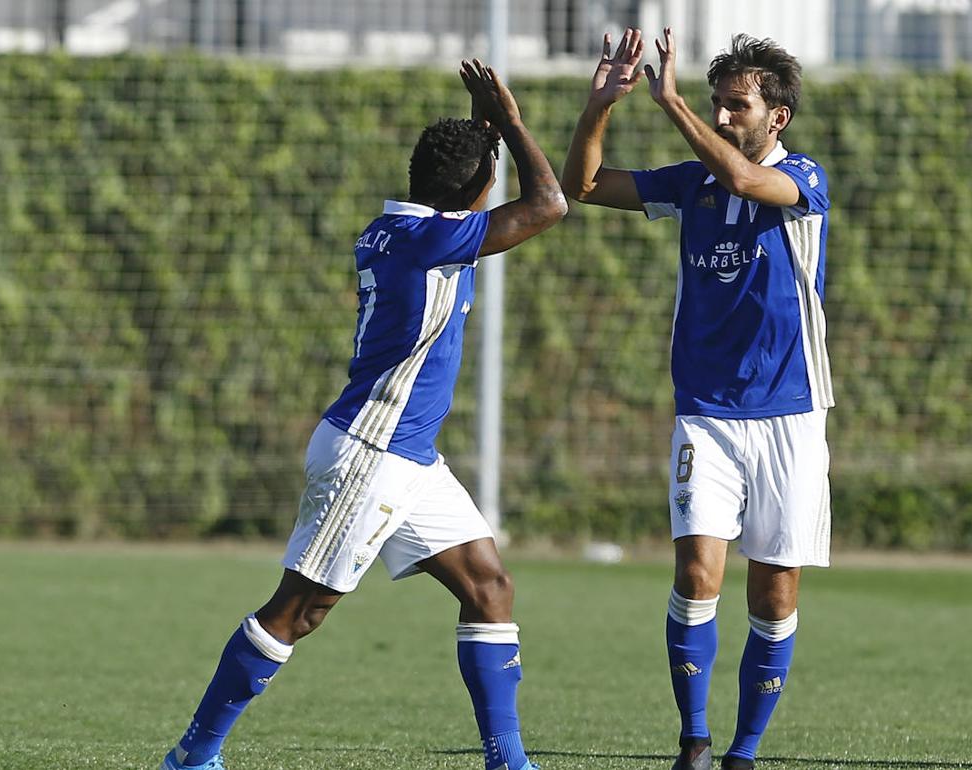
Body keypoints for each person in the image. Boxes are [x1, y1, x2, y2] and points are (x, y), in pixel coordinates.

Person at [160, 59, 566, 770]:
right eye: (486, 175)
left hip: (407, 456)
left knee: (488, 585)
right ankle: (194, 756)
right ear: (472, 192)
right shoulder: (434, 240)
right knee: (299, 611)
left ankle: (508, 761)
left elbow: (464, 186)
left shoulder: (397, 229)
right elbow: (550, 204)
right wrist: (509, 123)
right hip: (371, 454)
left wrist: (479, 129)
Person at [561, 28, 833, 770]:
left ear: (776, 118)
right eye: (715, 104)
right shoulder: (691, 184)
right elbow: (583, 185)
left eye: (735, 106)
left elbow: (750, 183)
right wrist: (599, 108)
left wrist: (672, 102)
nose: (721, 117)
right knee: (696, 576)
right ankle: (694, 743)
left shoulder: (805, 177)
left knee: (774, 595)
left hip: (791, 415)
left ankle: (745, 753)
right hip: (706, 413)